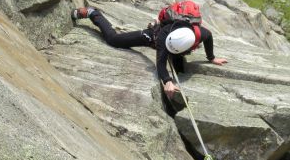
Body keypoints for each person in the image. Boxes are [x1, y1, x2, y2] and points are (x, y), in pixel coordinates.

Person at [71, 7, 227, 99]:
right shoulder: (164, 37)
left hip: (178, 43)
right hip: (154, 36)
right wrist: (167, 81)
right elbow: (161, 63)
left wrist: (212, 58)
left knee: (180, 69)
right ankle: (93, 13)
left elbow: (209, 37)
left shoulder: (199, 34)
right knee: (114, 39)